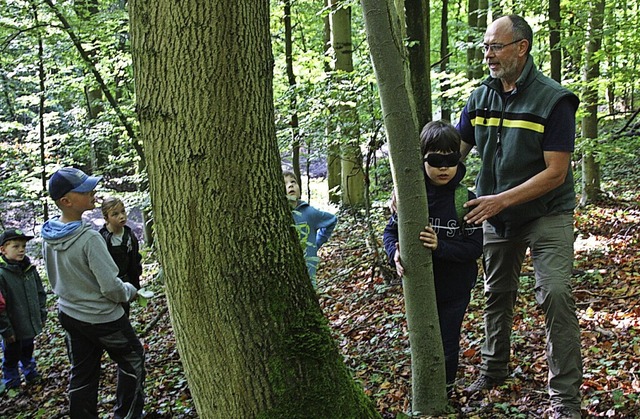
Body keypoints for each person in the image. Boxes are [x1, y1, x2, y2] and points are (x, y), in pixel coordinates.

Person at [456, 15, 582, 419]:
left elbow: (555, 172)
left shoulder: (553, 99)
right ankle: (493, 370)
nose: (488, 55)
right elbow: (453, 154)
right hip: (498, 215)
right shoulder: (481, 97)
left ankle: (565, 399)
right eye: (486, 47)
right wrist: (408, 189)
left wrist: (499, 201)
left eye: (496, 46)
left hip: (547, 212)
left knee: (556, 294)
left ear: (522, 47)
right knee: (496, 293)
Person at [382, 120, 483, 393]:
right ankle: (424, 389)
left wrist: (441, 246)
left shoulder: (465, 198)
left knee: (448, 342)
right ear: (423, 159)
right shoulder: (411, 198)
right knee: (423, 340)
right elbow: (390, 233)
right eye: (435, 160)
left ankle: (445, 392)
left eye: (450, 160)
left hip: (455, 289)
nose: (443, 168)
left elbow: (475, 247)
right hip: (420, 289)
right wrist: (395, 253)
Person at [41, 167, 145, 418]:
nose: (92, 192)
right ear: (66, 201)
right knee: (133, 362)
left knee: (83, 373)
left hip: (70, 315)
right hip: (103, 319)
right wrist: (130, 290)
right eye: (84, 190)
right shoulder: (89, 238)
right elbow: (111, 287)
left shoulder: (49, 234)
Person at [0, 229, 47, 390]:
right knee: (11, 355)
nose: (21, 250)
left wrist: (41, 314)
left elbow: (40, 294)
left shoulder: (30, 270)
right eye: (16, 246)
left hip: (28, 323)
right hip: (12, 327)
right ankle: (12, 382)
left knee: (28, 349)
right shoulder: (2, 274)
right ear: (3, 250)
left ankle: (30, 373)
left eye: (23, 246)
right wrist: (6, 330)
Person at [283, 170, 337, 288]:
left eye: (293, 182)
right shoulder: (279, 215)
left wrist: (316, 243)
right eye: (285, 184)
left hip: (308, 273)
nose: (290, 185)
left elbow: (332, 220)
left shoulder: (309, 213)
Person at [99, 197, 143, 316]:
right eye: (115, 214)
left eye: (123, 211)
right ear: (106, 218)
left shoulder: (129, 236)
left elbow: (134, 260)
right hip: (109, 285)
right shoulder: (101, 238)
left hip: (126, 283)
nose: (122, 216)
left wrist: (135, 286)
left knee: (124, 314)